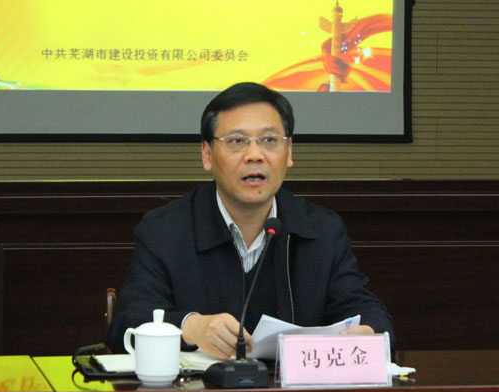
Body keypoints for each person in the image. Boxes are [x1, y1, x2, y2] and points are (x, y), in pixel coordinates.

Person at [106, 82, 395, 358]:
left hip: (291, 391)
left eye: (269, 141)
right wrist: (191, 327)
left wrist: (367, 333)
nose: (255, 155)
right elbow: (127, 323)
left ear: (289, 152)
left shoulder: (322, 231)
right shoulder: (164, 231)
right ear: (207, 155)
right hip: (199, 391)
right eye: (237, 142)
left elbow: (368, 312)